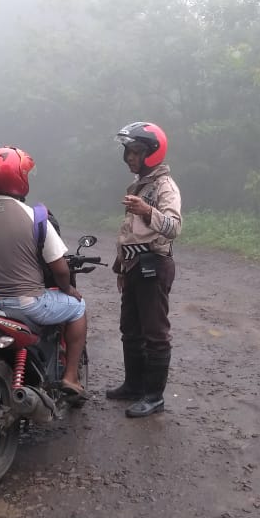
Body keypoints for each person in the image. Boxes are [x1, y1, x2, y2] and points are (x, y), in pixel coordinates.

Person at [0, 146, 89, 400]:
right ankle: (70, 376)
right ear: (19, 177)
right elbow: (60, 269)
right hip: (27, 304)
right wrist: (68, 290)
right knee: (78, 307)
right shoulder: (36, 217)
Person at [107, 122, 182, 418]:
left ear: (152, 153)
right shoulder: (140, 185)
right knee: (130, 330)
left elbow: (174, 227)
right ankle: (134, 385)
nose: (129, 157)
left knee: (155, 333)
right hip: (134, 265)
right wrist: (121, 267)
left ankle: (154, 397)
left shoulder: (165, 186)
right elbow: (131, 232)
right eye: (128, 151)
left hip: (154, 264)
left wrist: (148, 211)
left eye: (136, 152)